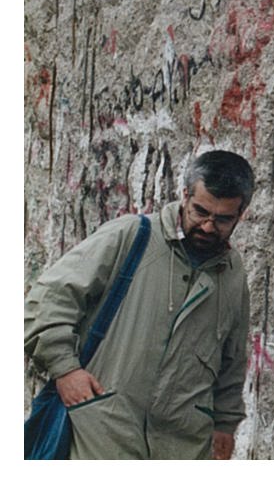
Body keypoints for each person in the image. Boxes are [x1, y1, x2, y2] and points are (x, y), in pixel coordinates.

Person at [24, 149, 255, 460]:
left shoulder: (232, 272)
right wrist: (66, 370)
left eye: (223, 219)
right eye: (200, 211)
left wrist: (224, 424)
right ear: (185, 196)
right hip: (100, 435)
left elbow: (232, 356)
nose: (209, 226)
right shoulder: (132, 235)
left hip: (183, 448)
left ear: (242, 214)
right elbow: (47, 300)